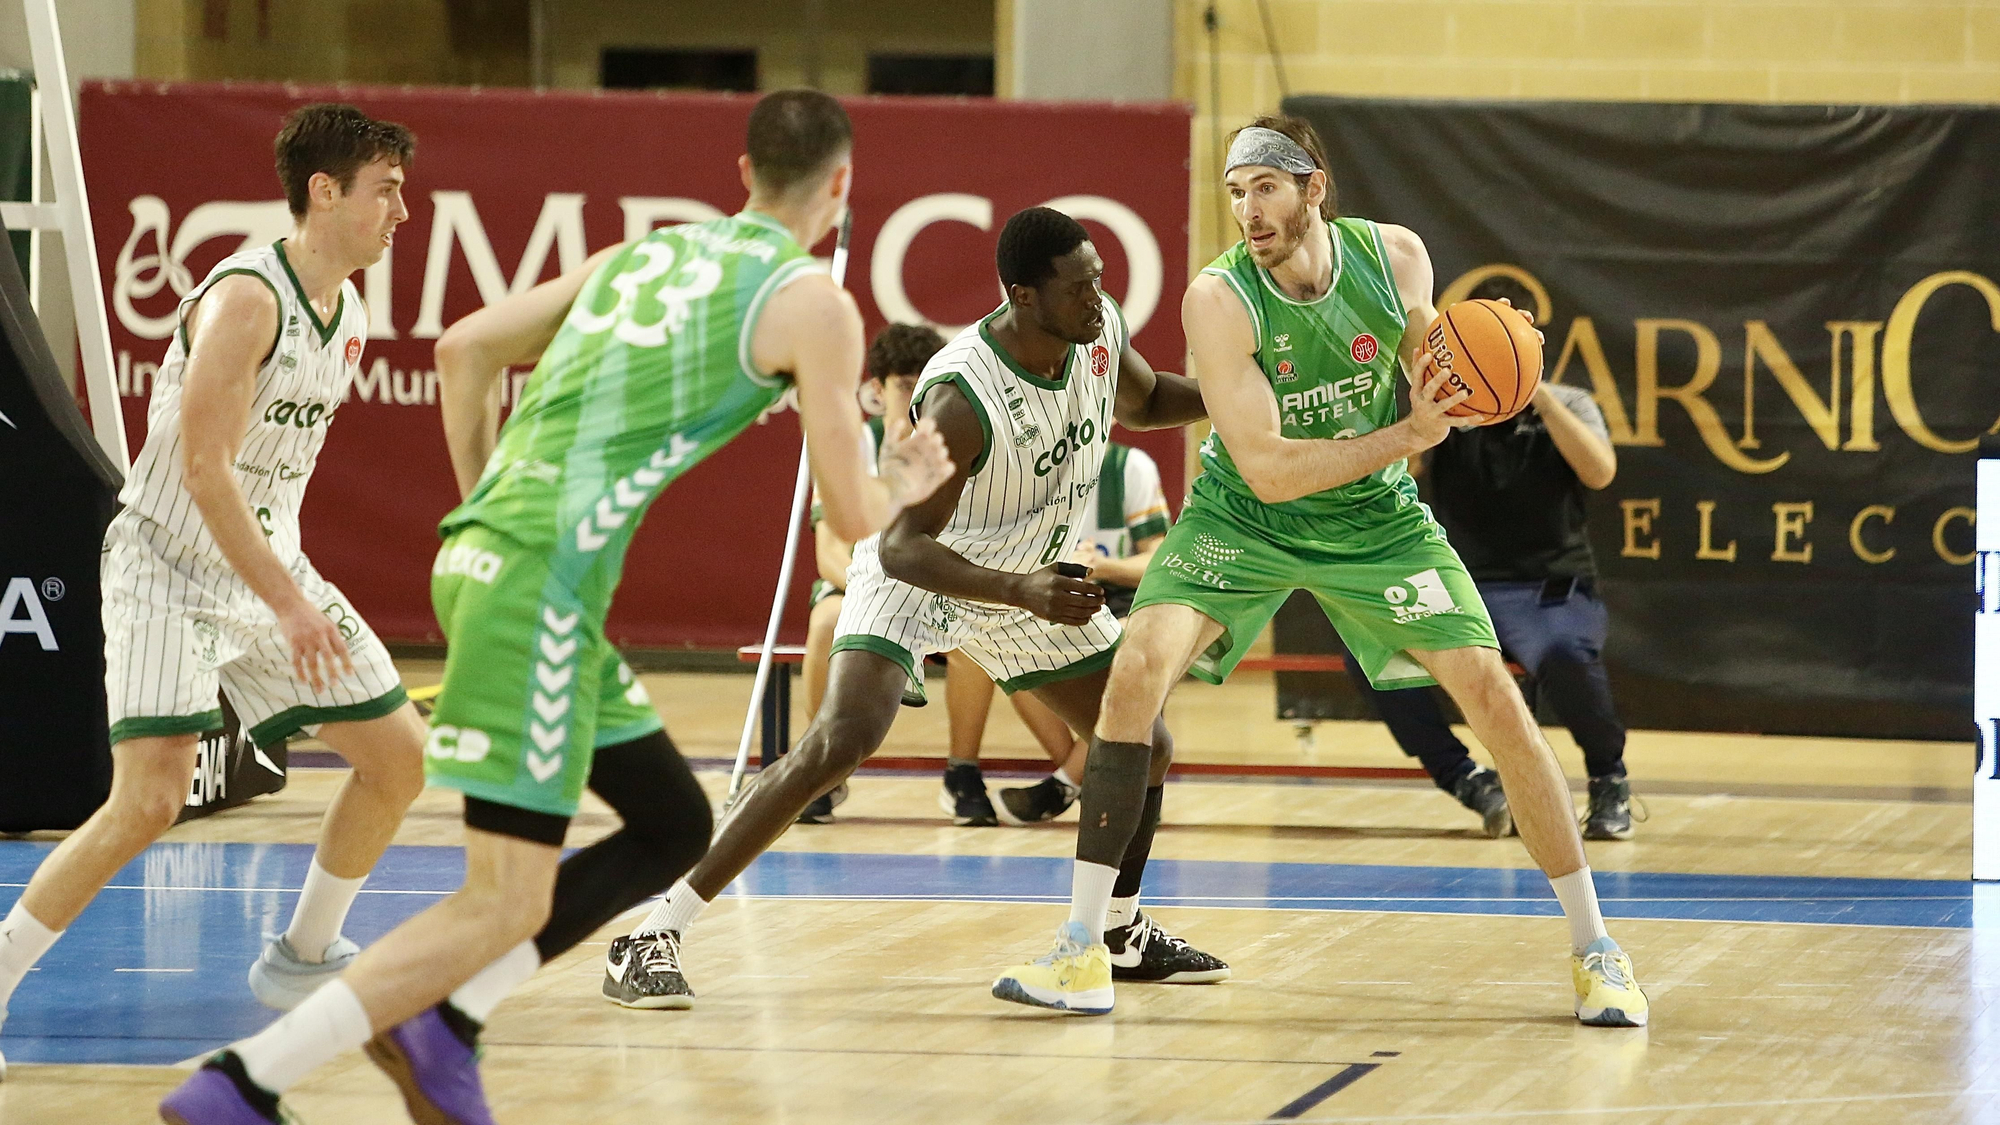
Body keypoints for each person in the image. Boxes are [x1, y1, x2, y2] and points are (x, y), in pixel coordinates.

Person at [160, 88, 955, 1123]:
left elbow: (465, 350)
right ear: (840, 187)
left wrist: (487, 509)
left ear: (741, 174)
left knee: (671, 823)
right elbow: (853, 519)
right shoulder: (813, 302)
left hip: (516, 570)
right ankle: (247, 1080)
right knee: (504, 897)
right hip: (537, 583)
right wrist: (906, 475)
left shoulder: (650, 252)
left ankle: (448, 1024)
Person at [992, 116, 1649, 1027]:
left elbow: (1434, 368)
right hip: (1243, 513)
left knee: (1495, 699)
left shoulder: (1398, 258)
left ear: (1313, 187)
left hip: (1375, 518)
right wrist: (1409, 434)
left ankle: (1597, 950)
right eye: (1234, 192)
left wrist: (1490, 369)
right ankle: (1084, 946)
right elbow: (1264, 466)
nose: (1247, 209)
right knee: (1135, 672)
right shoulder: (1219, 300)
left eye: (1264, 186)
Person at [605, 206, 1227, 1013]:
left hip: (1020, 578)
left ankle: (1119, 934)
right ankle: (651, 933)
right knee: (838, 742)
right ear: (1022, 295)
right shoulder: (962, 397)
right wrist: (1020, 590)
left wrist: (1241, 395)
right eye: (1078, 287)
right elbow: (900, 544)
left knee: (1142, 743)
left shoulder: (1097, 329)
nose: (1097, 297)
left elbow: (1144, 403)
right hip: (927, 572)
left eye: (1098, 280)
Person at [0, 104, 429, 1083]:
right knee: (145, 802)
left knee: (398, 757)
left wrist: (284, 587)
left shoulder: (349, 313)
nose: (404, 212)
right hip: (169, 567)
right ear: (325, 192)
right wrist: (287, 602)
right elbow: (204, 470)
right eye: (387, 191)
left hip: (268, 568)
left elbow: (273, 481)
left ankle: (303, 956)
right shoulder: (246, 298)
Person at [1340, 324, 1636, 840]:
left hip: (1547, 587)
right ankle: (1468, 780)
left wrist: (1533, 392)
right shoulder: (1451, 412)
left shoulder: (1570, 403)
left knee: (1566, 656)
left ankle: (1609, 780)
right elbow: (1403, 468)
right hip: (1459, 586)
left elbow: (1600, 471)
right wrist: (1421, 411)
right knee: (1371, 647)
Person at [796, 323, 943, 824]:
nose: (916, 395)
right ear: (878, 390)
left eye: (927, 382)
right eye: (905, 384)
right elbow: (829, 555)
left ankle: (963, 771)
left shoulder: (953, 442)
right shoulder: (850, 445)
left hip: (937, 588)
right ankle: (821, 774)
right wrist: (878, 585)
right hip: (858, 586)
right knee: (823, 623)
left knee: (977, 642)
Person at [986, 440, 1174, 825]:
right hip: (1051, 599)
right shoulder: (1021, 464)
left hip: (1125, 601)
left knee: (1126, 661)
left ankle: (1066, 784)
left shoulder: (1130, 465)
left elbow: (1160, 559)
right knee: (1008, 655)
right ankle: (1089, 778)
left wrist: (1101, 566)